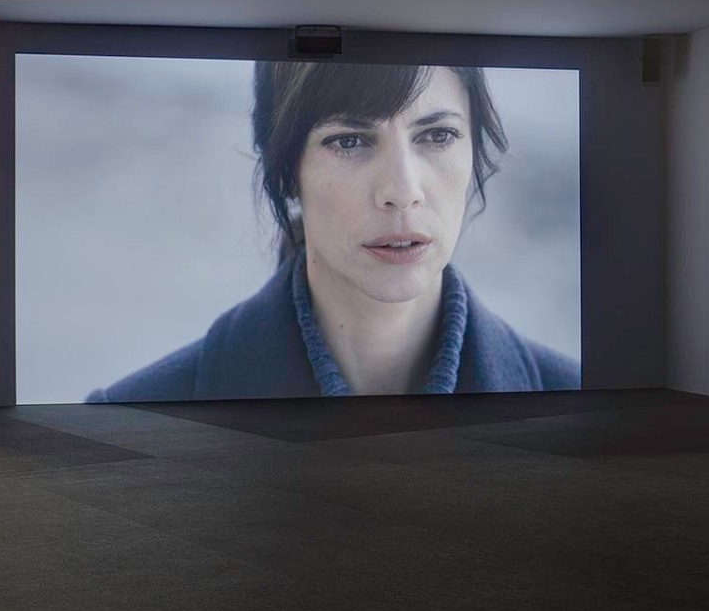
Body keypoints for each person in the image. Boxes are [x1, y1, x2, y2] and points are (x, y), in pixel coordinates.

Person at [88, 61, 578, 402]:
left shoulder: (577, 403)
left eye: (437, 135)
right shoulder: (137, 417)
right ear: (286, 170)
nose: (402, 191)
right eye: (349, 141)